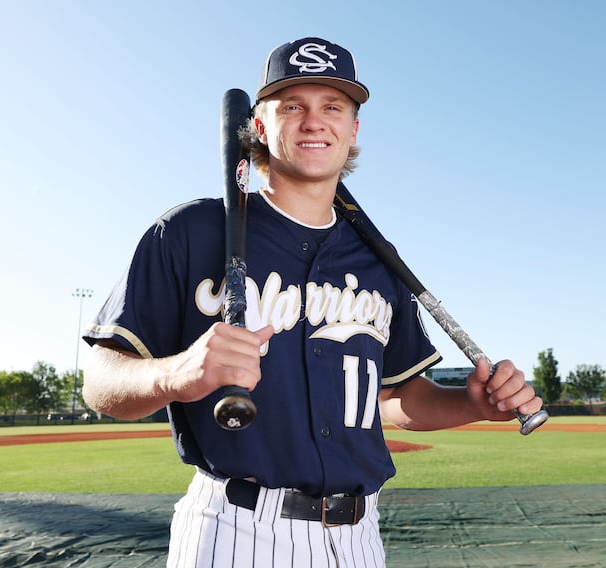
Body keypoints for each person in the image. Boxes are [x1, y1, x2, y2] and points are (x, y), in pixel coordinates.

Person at [82, 36, 543, 568]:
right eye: (292, 106)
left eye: (332, 107)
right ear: (258, 125)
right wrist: (177, 375)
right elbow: (101, 381)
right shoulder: (191, 232)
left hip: (360, 537)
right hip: (236, 530)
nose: (313, 121)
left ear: (353, 129)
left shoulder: (378, 260)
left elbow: (395, 396)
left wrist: (471, 404)